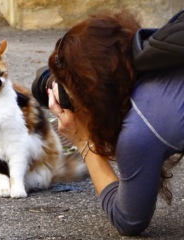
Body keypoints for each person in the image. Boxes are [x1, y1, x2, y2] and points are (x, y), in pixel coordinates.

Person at [46, 9, 184, 236]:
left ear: (94, 96)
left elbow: (129, 220)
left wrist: (83, 141)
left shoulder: (142, 125)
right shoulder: (164, 49)